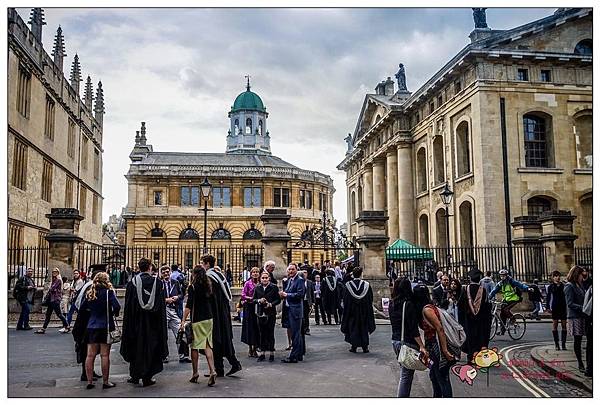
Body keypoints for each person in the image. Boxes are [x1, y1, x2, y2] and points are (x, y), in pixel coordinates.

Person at [120, 258, 169, 387]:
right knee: (151, 347)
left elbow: (129, 307)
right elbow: (161, 307)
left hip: (136, 323)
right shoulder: (157, 283)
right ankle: (148, 377)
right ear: (150, 267)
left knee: (136, 347)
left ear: (139, 267)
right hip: (152, 323)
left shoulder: (132, 283)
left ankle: (135, 375)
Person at [79, 272, 121, 389]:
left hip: (92, 326)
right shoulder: (109, 293)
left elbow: (82, 308)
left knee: (90, 355)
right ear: (106, 280)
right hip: (105, 326)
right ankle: (106, 382)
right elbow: (117, 306)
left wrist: (92, 313)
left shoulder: (90, 293)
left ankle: (89, 382)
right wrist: (113, 313)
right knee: (104, 355)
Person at [414, 284, 455, 398]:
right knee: (434, 376)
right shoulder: (427, 308)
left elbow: (440, 329)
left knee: (442, 378)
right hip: (432, 346)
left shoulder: (427, 309)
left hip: (436, 346)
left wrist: (445, 350)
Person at [389, 277, 428, 397]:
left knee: (405, 373)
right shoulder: (408, 304)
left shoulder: (392, 303)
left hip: (395, 340)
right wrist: (422, 346)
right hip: (407, 342)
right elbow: (413, 329)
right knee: (406, 376)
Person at [180, 265, 217, 386]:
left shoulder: (193, 287)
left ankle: (195, 373)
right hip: (209, 318)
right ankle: (212, 370)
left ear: (194, 274)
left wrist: (183, 320)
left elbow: (189, 305)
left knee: (194, 346)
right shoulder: (208, 285)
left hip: (198, 319)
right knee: (207, 344)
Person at [205, 258, 242, 377]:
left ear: (207, 264)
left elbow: (210, 296)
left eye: (202, 263)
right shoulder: (219, 275)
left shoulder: (209, 277)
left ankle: (234, 363)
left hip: (216, 313)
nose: (202, 265)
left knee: (219, 339)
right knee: (219, 339)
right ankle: (219, 369)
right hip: (223, 311)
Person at [71, 264, 104, 382]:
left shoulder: (88, 285)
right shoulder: (92, 286)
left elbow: (77, 303)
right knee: (86, 349)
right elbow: (82, 304)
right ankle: (85, 373)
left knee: (89, 349)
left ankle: (89, 371)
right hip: (86, 322)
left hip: (85, 321)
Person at [458, 269, 492, 363]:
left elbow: (460, 305)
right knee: (479, 337)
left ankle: (470, 357)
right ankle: (478, 357)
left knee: (470, 337)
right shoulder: (483, 291)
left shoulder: (465, 289)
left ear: (470, 278)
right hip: (480, 320)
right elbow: (487, 306)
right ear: (479, 279)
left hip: (468, 320)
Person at [341, 267, 376, 353]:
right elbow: (370, 299)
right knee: (364, 328)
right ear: (361, 274)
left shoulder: (348, 285)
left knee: (353, 327)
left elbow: (345, 300)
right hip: (364, 311)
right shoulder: (366, 285)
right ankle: (365, 347)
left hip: (352, 311)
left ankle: (354, 346)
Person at [160, 266, 190, 363]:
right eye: (164, 272)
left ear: (170, 272)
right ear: (161, 274)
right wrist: (165, 300)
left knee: (180, 332)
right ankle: (164, 356)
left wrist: (177, 297)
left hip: (174, 310)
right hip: (163, 310)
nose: (166, 274)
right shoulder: (159, 284)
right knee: (163, 334)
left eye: (167, 272)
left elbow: (182, 294)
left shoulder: (175, 282)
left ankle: (183, 355)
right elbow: (155, 298)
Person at [488, 268, 530, 335]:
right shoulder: (500, 283)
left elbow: (520, 285)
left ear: (506, 275)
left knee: (506, 310)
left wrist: (527, 288)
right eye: (501, 275)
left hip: (514, 299)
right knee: (502, 314)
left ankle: (513, 320)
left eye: (504, 275)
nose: (502, 277)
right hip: (506, 299)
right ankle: (502, 330)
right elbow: (494, 291)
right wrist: (488, 298)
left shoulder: (511, 281)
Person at [279, 263, 306, 363]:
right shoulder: (290, 280)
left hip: (296, 310)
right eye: (289, 269)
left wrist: (287, 295)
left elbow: (300, 294)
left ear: (296, 270)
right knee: (295, 334)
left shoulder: (300, 280)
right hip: (290, 309)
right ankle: (298, 354)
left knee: (296, 334)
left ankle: (294, 356)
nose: (290, 271)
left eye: (292, 269)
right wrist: (282, 294)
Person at [253, 271, 281, 362]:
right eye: (263, 278)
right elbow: (254, 299)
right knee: (262, 334)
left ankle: (272, 353)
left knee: (270, 333)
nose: (264, 279)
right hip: (260, 313)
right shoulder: (257, 288)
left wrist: (271, 304)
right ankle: (262, 354)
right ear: (260, 279)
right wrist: (259, 300)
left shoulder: (274, 287)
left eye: (266, 278)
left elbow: (278, 300)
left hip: (270, 313)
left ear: (269, 278)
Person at [564, 265, 587, 372]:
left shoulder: (580, 285)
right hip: (575, 317)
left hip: (582, 315)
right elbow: (570, 303)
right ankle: (580, 363)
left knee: (584, 340)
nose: (583, 277)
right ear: (576, 274)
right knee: (578, 340)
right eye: (582, 275)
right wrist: (583, 308)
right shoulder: (569, 286)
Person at [35, 268, 69, 334]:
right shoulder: (54, 280)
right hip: (51, 300)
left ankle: (67, 326)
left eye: (55, 272)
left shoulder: (58, 280)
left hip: (55, 300)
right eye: (53, 272)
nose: (54, 273)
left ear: (58, 272)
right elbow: (52, 289)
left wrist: (51, 289)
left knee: (59, 314)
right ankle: (43, 328)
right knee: (48, 315)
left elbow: (52, 288)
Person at [241, 267, 261, 357]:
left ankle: (255, 348)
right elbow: (243, 295)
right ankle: (250, 348)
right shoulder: (247, 283)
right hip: (249, 306)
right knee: (250, 328)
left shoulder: (260, 284)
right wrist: (250, 298)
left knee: (257, 328)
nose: (255, 274)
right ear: (251, 273)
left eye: (257, 272)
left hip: (258, 306)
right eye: (254, 272)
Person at [546, 270, 567, 350]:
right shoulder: (551, 287)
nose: (557, 277)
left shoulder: (564, 285)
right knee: (555, 326)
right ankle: (557, 344)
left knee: (564, 326)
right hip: (555, 307)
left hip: (563, 307)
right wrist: (548, 307)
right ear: (553, 277)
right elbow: (548, 298)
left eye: (558, 276)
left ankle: (563, 344)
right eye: (555, 276)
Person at [302, 271, 315, 336]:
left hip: (307, 301)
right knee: (301, 316)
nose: (304, 274)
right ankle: (302, 329)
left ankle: (307, 329)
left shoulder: (310, 282)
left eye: (306, 273)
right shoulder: (299, 282)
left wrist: (313, 302)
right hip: (301, 301)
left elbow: (312, 292)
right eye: (303, 273)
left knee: (306, 316)